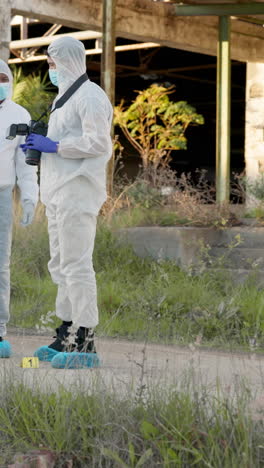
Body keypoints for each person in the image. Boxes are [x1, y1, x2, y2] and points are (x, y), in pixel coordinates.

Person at [21, 37, 113, 368]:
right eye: (49, 62)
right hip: (58, 193)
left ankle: (85, 341)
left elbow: (98, 142)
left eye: (53, 62)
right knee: (59, 265)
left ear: (69, 60)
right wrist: (38, 146)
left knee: (77, 264)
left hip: (79, 191)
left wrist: (55, 146)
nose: (51, 69)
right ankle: (66, 332)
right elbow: (59, 143)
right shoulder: (63, 99)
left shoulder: (90, 97)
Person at [0, 60, 38, 358]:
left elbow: (26, 164)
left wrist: (29, 198)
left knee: (1, 264)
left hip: (2, 194)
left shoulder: (19, 115)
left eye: (1, 78)